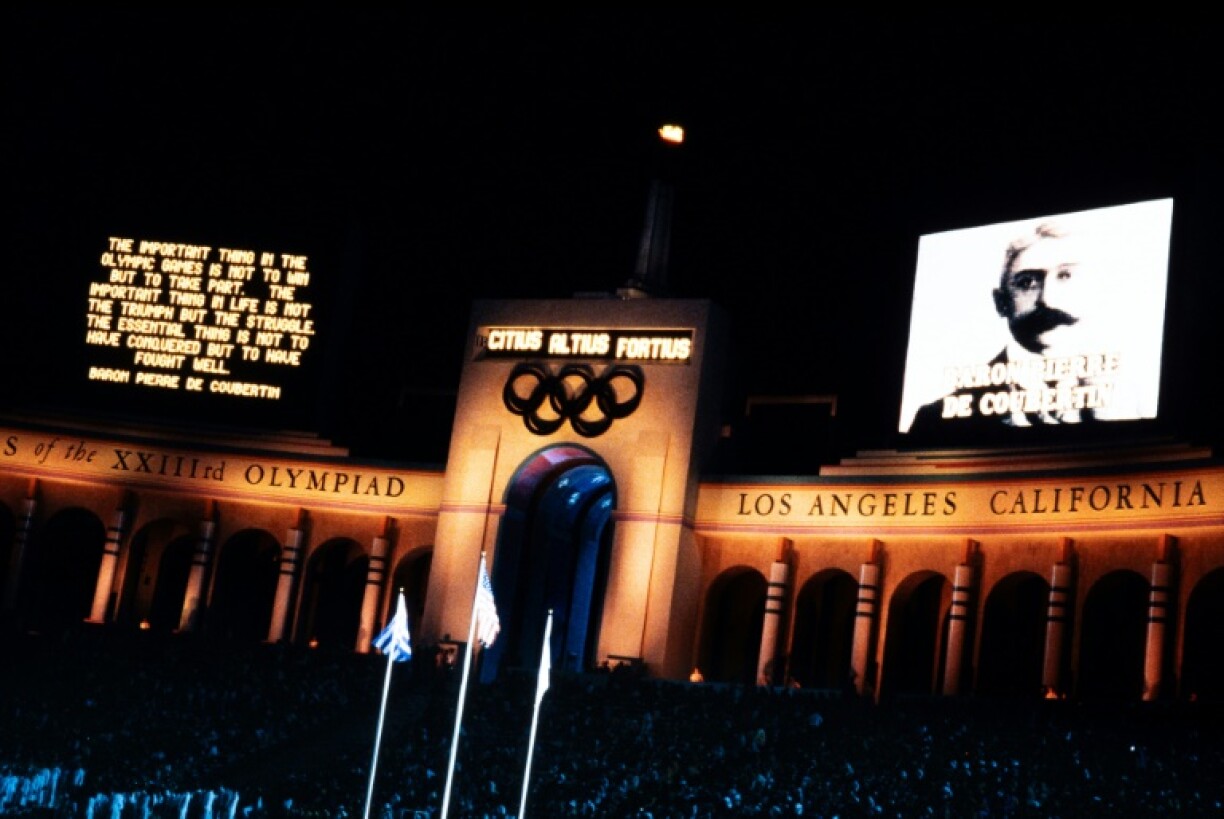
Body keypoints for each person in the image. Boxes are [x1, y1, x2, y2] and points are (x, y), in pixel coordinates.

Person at [909, 222, 1118, 434]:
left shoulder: (1130, 402)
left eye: (1065, 276)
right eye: (1026, 283)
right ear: (1001, 303)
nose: (1047, 299)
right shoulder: (934, 422)